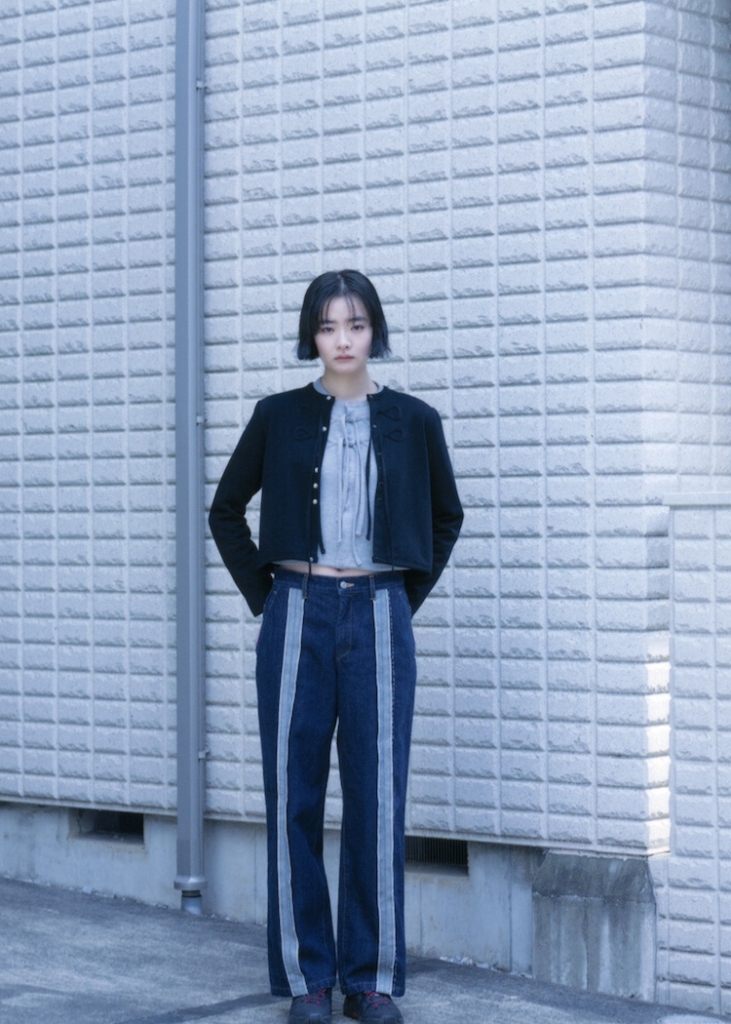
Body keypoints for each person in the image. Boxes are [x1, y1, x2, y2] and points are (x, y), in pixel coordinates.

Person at [208, 270, 463, 1024]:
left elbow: (446, 517)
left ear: (373, 329)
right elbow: (225, 510)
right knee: (294, 795)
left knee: (376, 798)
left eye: (355, 324)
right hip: (297, 609)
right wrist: (269, 594)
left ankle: (370, 978)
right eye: (327, 326)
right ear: (310, 336)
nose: (342, 340)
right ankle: (308, 978)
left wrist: (400, 597)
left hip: (380, 610)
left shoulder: (415, 420)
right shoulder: (278, 415)